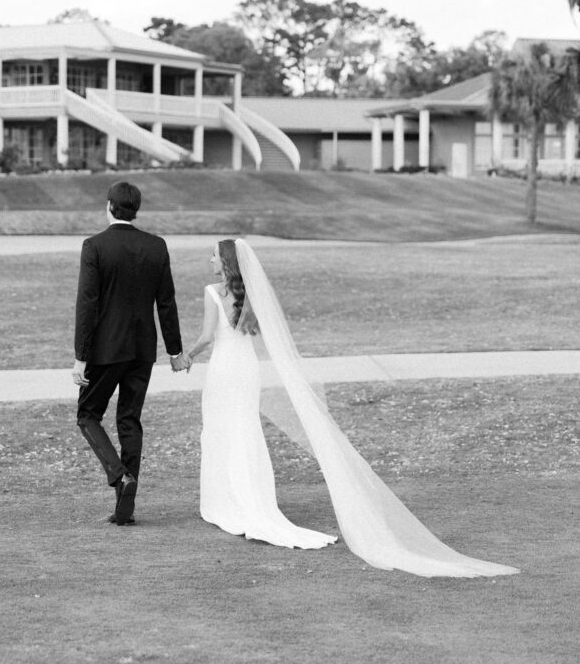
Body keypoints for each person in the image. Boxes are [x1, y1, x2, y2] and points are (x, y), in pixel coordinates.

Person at [187, 238, 519, 577]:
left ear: (225, 263)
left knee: (220, 431)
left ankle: (225, 502)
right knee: (245, 432)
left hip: (224, 369)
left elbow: (206, 337)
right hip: (245, 370)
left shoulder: (212, 291)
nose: (209, 258)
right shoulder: (250, 295)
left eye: (213, 254)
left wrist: (185, 356)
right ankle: (248, 499)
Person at [73, 181, 190, 526]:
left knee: (87, 414)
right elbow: (166, 302)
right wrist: (175, 351)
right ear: (136, 208)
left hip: (105, 350)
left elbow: (87, 305)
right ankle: (126, 503)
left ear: (109, 205)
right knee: (129, 418)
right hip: (141, 349)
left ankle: (119, 477)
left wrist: (81, 356)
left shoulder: (94, 246)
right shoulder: (156, 246)